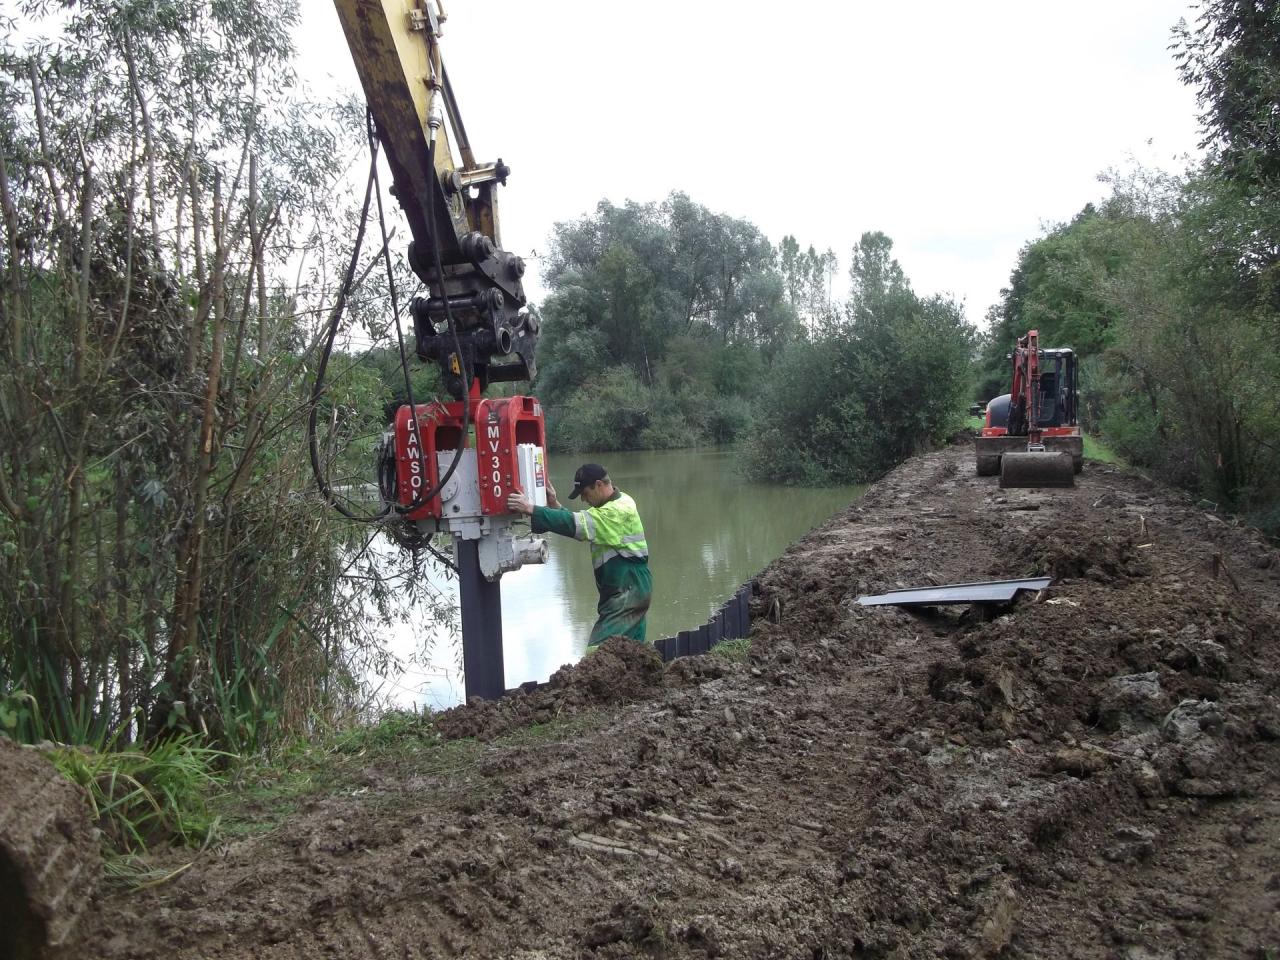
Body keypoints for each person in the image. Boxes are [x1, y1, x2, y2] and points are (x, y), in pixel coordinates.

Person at [506, 463, 652, 648]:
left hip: (628, 591)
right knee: (632, 650)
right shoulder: (614, 505)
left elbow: (578, 525)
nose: (583, 499)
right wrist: (553, 504)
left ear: (598, 484)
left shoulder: (616, 512)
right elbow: (585, 525)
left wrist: (532, 509)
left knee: (599, 653)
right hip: (630, 588)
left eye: (585, 493)